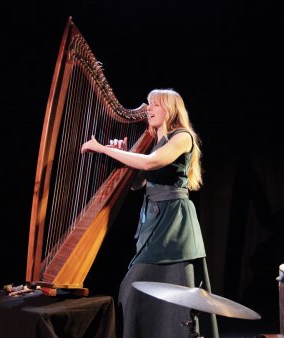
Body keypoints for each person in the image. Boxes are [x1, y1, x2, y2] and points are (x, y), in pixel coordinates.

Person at [81, 88, 219, 338]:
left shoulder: (182, 137)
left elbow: (150, 163)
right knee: (136, 290)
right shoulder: (154, 141)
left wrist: (103, 148)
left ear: (170, 109)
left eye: (155, 104)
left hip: (174, 221)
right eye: (148, 105)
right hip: (154, 218)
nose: (149, 109)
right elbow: (138, 184)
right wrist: (125, 155)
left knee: (172, 289)